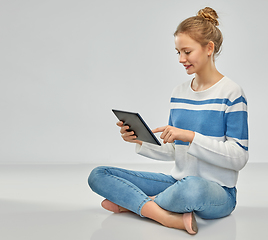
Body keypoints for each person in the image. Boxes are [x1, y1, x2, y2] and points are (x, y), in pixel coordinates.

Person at [88, 7, 249, 235]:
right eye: (178, 52)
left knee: (192, 188)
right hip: (177, 183)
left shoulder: (232, 93)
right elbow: (175, 151)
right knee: (99, 175)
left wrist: (191, 137)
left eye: (187, 51)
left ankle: (135, 204)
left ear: (209, 49)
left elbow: (239, 157)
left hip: (216, 192)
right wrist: (140, 140)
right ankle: (163, 215)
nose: (181, 59)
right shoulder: (179, 93)